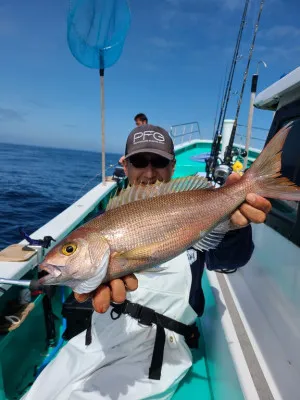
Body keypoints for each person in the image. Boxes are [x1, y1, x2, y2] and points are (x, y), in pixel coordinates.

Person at [23, 125, 271, 400]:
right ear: (125, 166)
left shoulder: (194, 207)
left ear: (173, 167)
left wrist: (233, 228)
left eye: (160, 162)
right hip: (98, 339)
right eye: (139, 162)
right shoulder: (106, 220)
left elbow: (228, 260)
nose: (150, 173)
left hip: (162, 349)